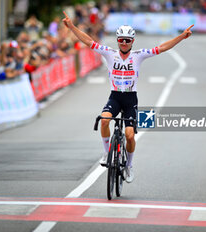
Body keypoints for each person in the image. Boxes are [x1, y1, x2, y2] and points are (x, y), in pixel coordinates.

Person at [62, 11, 194, 183]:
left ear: (132, 41)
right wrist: (71, 27)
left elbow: (161, 48)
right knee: (104, 120)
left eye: (127, 40)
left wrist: (181, 37)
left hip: (131, 99)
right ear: (117, 40)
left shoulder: (138, 55)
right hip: (115, 97)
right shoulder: (110, 53)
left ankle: (129, 166)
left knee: (130, 135)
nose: (124, 43)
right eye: (121, 40)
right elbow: (89, 41)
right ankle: (106, 151)